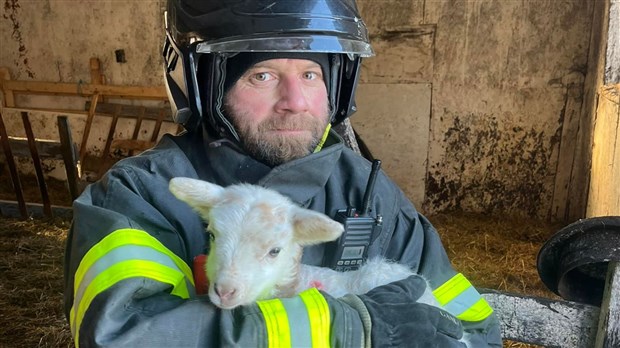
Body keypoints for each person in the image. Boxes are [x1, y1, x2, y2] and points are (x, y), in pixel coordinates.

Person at [63, 0, 503, 346]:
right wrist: (351, 331)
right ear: (202, 85)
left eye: (311, 73)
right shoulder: (141, 197)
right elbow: (123, 336)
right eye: (263, 75)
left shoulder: (371, 196)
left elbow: (475, 327)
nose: (295, 100)